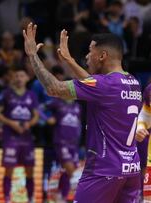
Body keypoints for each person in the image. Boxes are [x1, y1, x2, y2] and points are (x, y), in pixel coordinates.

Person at [23, 23, 141, 202]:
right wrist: (70, 61)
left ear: (102, 55)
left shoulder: (103, 85)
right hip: (131, 169)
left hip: (103, 170)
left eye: (90, 51)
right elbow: (94, 85)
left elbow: (54, 89)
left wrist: (32, 55)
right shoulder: (132, 81)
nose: (86, 56)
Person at [0, 68, 39, 203]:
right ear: (13, 78)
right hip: (10, 137)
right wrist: (11, 123)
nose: (19, 78)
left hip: (26, 137)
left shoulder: (31, 95)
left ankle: (30, 198)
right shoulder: (6, 94)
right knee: (9, 170)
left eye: (22, 75)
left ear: (27, 78)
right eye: (17, 75)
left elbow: (36, 116)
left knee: (29, 170)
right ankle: (7, 199)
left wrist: (29, 124)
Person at [46, 97, 81, 201]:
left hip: (74, 143)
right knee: (72, 173)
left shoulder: (77, 106)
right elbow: (39, 108)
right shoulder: (56, 103)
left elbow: (79, 124)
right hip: (61, 142)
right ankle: (74, 198)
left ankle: (62, 196)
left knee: (68, 171)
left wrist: (80, 141)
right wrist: (47, 118)